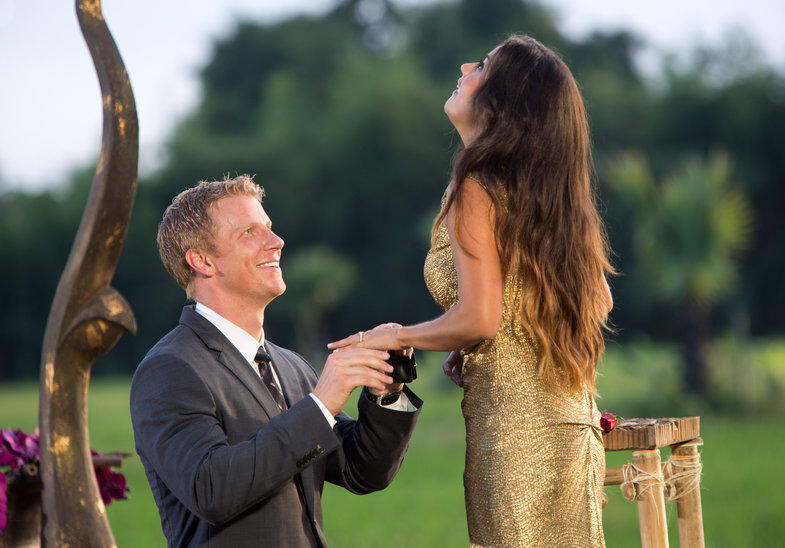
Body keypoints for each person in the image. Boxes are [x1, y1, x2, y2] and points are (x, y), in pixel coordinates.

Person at [329, 35, 613, 546]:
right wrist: (479, 345)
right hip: (573, 426)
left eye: (482, 66)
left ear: (504, 100)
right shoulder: (547, 194)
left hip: (516, 436)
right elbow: (593, 302)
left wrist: (399, 335)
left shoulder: (479, 185)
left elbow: (482, 318)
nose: (464, 67)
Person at [130, 175, 422, 548]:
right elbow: (212, 489)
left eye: (269, 227)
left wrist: (387, 390)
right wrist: (321, 405)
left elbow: (362, 471)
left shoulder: (290, 366)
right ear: (202, 261)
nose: (277, 241)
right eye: (249, 232)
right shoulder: (169, 369)